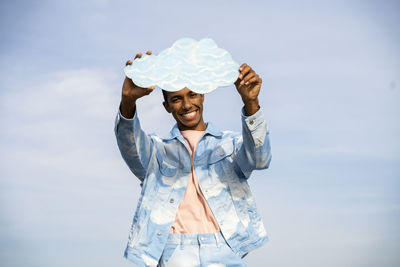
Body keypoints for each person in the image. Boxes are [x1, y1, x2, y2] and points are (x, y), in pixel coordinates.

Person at [114, 50, 272, 267]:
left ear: (203, 95)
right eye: (176, 99)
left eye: (192, 95)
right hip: (174, 251)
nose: (187, 105)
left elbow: (260, 159)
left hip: (225, 246)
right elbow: (130, 147)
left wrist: (251, 102)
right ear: (167, 106)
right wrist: (127, 102)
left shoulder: (229, 143)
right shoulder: (157, 151)